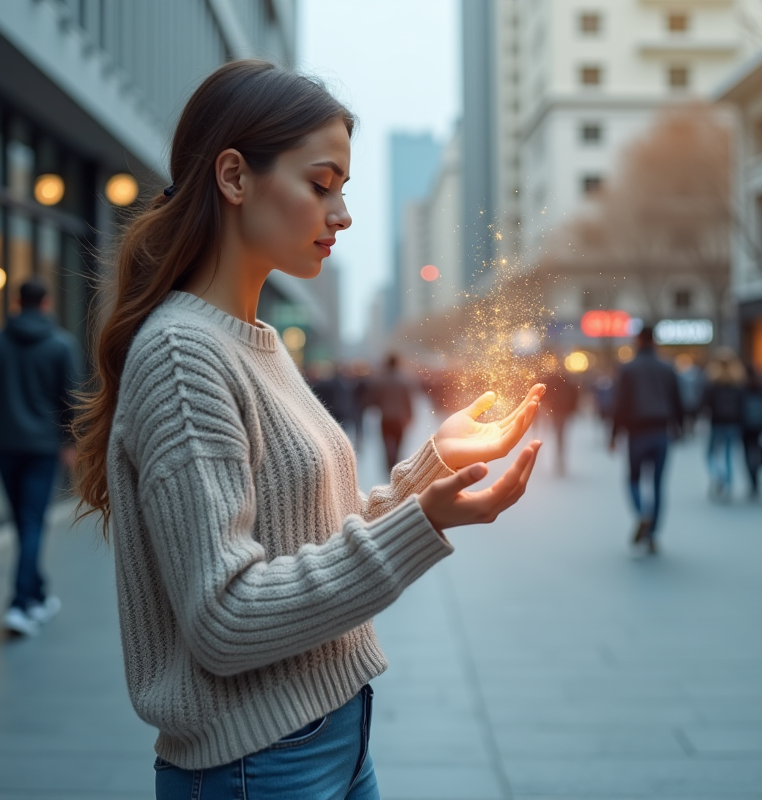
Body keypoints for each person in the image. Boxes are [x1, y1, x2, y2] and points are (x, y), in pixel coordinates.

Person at [71, 61, 545, 799]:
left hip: (330, 740)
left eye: (345, 191)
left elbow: (310, 540)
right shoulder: (182, 354)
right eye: (322, 185)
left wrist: (430, 467)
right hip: (257, 766)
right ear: (234, 177)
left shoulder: (253, 340)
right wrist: (423, 520)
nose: (342, 214)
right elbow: (226, 617)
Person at [0, 278, 80, 638]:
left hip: (5, 446)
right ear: (45, 303)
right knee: (31, 522)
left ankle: (37, 595)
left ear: (17, 302)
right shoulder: (61, 344)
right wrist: (70, 441)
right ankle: (19, 604)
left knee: (23, 521)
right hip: (43, 447)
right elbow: (71, 398)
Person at [609, 326, 683, 555]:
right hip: (661, 431)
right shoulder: (667, 367)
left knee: (633, 479)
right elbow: (677, 400)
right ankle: (652, 533)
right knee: (658, 484)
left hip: (636, 432)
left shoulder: (628, 369)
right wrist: (680, 427)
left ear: (638, 341)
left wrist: (613, 434)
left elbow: (619, 404)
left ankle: (642, 514)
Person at [700, 349, 746, 500]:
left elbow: (705, 403)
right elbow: (742, 405)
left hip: (717, 422)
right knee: (728, 455)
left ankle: (718, 475)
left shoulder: (712, 382)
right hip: (733, 422)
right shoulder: (738, 382)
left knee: (710, 453)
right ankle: (728, 483)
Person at [374, 353, 414, 474]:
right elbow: (408, 400)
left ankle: (388, 464)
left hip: (386, 417)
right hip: (400, 418)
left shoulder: (381, 380)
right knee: (398, 442)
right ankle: (395, 462)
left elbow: (375, 398)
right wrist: (410, 415)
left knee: (386, 442)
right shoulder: (404, 380)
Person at [541, 364, 580, 476]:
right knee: (560, 434)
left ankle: (558, 458)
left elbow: (549, 394)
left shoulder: (555, 382)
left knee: (559, 434)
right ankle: (559, 458)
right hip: (562, 411)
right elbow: (574, 395)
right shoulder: (568, 382)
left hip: (558, 411)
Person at [740, 366, 762, 499]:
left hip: (745, 425)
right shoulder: (761, 387)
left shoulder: (741, 388)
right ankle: (756, 477)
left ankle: (752, 478)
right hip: (759, 423)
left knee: (747, 452)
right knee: (757, 450)